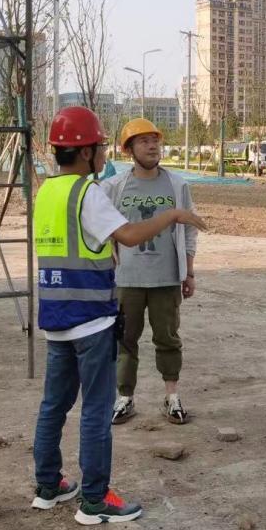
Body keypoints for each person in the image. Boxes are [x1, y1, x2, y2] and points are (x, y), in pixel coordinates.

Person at [31, 106, 207, 524]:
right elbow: (127, 235)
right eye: (101, 146)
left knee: (54, 405)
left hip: (56, 316)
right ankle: (94, 501)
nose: (104, 153)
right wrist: (173, 215)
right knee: (96, 409)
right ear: (86, 151)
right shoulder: (87, 193)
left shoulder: (47, 192)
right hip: (91, 319)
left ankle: (48, 486)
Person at [102, 118, 198, 425]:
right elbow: (102, 228)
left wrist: (189, 272)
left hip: (165, 277)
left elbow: (189, 229)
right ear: (128, 149)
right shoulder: (114, 187)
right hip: (126, 278)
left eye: (155, 140)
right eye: (143, 141)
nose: (152, 146)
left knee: (168, 337)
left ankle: (171, 395)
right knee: (125, 340)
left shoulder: (177, 185)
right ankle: (124, 397)